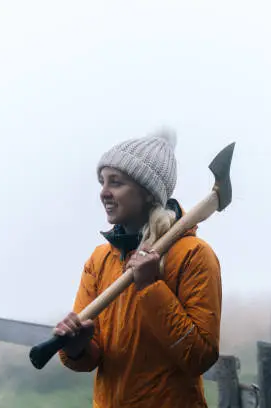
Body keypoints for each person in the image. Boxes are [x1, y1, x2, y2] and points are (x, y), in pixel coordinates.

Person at [55, 128, 222, 408]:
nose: (104, 193)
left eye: (116, 182)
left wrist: (151, 288)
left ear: (147, 193)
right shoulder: (100, 260)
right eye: (102, 182)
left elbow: (199, 358)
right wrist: (76, 348)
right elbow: (93, 358)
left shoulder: (193, 255)